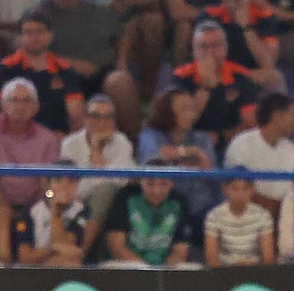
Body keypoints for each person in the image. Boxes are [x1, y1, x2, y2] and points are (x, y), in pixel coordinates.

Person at [36, 0, 141, 138]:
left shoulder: (100, 11)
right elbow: (28, 46)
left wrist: (122, 60)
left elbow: (127, 27)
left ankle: (131, 148)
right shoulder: (39, 13)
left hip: (100, 76)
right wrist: (68, 63)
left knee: (120, 82)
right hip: (60, 76)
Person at [0, 76, 62, 211]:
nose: (20, 106)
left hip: (33, 206)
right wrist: (3, 207)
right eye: (14, 100)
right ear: (3, 104)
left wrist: (34, 211)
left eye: (27, 101)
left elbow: (46, 185)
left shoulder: (48, 138)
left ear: (36, 106)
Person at [171, 20, 261, 146]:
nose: (210, 52)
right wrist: (205, 87)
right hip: (191, 142)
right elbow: (180, 125)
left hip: (232, 142)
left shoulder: (240, 75)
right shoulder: (181, 77)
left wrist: (221, 137)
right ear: (194, 50)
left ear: (225, 48)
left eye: (215, 45)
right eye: (203, 47)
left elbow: (251, 123)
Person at [0, 9, 83, 135]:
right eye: (28, 32)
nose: (35, 37)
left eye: (40, 31)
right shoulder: (7, 68)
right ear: (20, 37)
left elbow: (76, 115)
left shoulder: (65, 70)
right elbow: (6, 110)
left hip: (58, 138)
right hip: (19, 137)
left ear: (51, 35)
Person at [199, 0, 286, 92]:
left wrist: (246, 26)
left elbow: (268, 63)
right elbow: (206, 58)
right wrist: (240, 74)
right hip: (220, 73)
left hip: (252, 75)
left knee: (274, 77)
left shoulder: (265, 16)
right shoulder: (209, 15)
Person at [138, 88, 220, 217]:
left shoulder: (202, 139)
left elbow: (209, 171)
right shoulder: (150, 134)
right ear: (167, 112)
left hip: (200, 207)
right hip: (164, 207)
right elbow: (154, 157)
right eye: (184, 109)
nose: (191, 115)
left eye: (192, 109)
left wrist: (177, 157)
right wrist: (193, 152)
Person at [103, 158, 197, 266]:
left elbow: (180, 250)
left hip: (165, 269)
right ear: (141, 181)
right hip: (129, 266)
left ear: (171, 183)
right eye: (150, 184)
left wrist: (164, 274)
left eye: (163, 184)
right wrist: (146, 270)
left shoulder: (179, 202)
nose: (156, 191)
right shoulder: (125, 197)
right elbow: (117, 247)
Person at [223, 90, 294, 223]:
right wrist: (272, 208)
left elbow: (291, 191)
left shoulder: (291, 148)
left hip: (283, 218)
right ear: (277, 116)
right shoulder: (242, 143)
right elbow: (238, 187)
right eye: (292, 114)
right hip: (245, 217)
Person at [58, 92, 133, 224]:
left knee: (104, 193)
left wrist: (96, 149)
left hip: (113, 206)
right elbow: (70, 186)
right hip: (75, 201)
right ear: (86, 118)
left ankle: (83, 245)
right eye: (96, 116)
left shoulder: (122, 142)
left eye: (108, 117)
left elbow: (121, 181)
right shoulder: (70, 144)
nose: (102, 122)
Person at [13, 160, 90, 264]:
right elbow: (25, 257)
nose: (65, 186)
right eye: (58, 180)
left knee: (68, 262)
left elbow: (68, 247)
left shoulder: (82, 211)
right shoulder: (30, 212)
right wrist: (54, 249)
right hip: (35, 269)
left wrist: (56, 212)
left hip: (66, 265)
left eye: (71, 181)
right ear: (48, 185)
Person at [204, 169, 275, 265]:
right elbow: (211, 256)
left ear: (253, 189)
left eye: (245, 189)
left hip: (254, 270)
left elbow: (268, 257)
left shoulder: (263, 215)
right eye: (235, 189)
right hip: (224, 270)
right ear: (225, 189)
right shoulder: (214, 216)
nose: (240, 194)